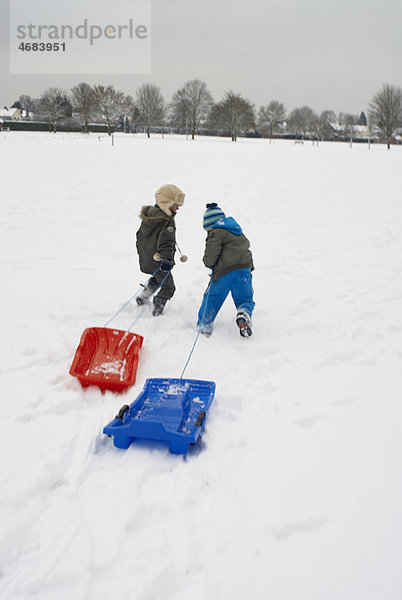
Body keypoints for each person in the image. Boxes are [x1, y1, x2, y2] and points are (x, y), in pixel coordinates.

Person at [197, 203, 255, 337]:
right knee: (245, 299)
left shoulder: (216, 233)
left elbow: (211, 256)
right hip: (244, 272)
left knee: (212, 297)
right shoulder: (237, 231)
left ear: (210, 225)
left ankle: (205, 325)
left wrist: (207, 262)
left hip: (224, 273)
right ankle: (243, 314)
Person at [136, 184, 185, 316]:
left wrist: (143, 253)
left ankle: (143, 296)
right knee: (169, 287)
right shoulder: (166, 221)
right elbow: (167, 242)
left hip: (147, 258)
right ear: (166, 203)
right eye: (175, 204)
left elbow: (139, 237)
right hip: (159, 261)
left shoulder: (149, 217)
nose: (178, 208)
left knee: (158, 278)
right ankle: (158, 307)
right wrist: (167, 258)